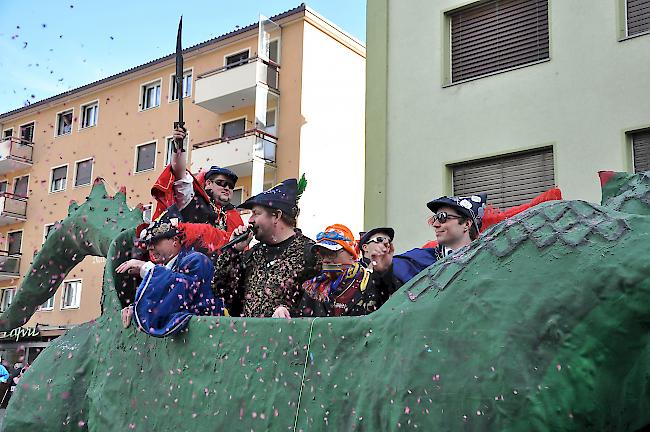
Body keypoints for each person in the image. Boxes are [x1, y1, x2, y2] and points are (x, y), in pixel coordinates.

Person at [213, 177, 321, 318]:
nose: (250, 220)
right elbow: (223, 294)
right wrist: (233, 252)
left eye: (256, 213)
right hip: (249, 337)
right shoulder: (252, 255)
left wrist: (291, 314)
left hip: (288, 338)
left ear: (276, 216)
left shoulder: (310, 253)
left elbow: (319, 309)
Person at [117, 209, 226, 337]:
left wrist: (147, 268)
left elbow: (181, 294)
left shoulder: (196, 260)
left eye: (155, 241)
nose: (149, 247)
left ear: (175, 240)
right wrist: (135, 308)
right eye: (147, 243)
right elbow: (164, 303)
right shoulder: (168, 268)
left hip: (208, 338)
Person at [150, 127, 244, 252]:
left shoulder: (234, 215)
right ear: (208, 184)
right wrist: (179, 147)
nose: (227, 188)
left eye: (231, 186)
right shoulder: (194, 201)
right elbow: (180, 176)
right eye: (221, 183)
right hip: (190, 264)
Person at [275, 224, 397, 318]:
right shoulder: (314, 288)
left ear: (352, 255)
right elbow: (303, 321)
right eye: (322, 254)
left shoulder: (369, 281)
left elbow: (390, 302)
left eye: (332, 253)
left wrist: (385, 272)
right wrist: (284, 311)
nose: (326, 260)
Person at [371, 194, 488, 289]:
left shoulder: (487, 260)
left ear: (467, 224)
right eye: (435, 219)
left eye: (443, 217)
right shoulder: (418, 259)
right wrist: (385, 270)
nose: (436, 224)